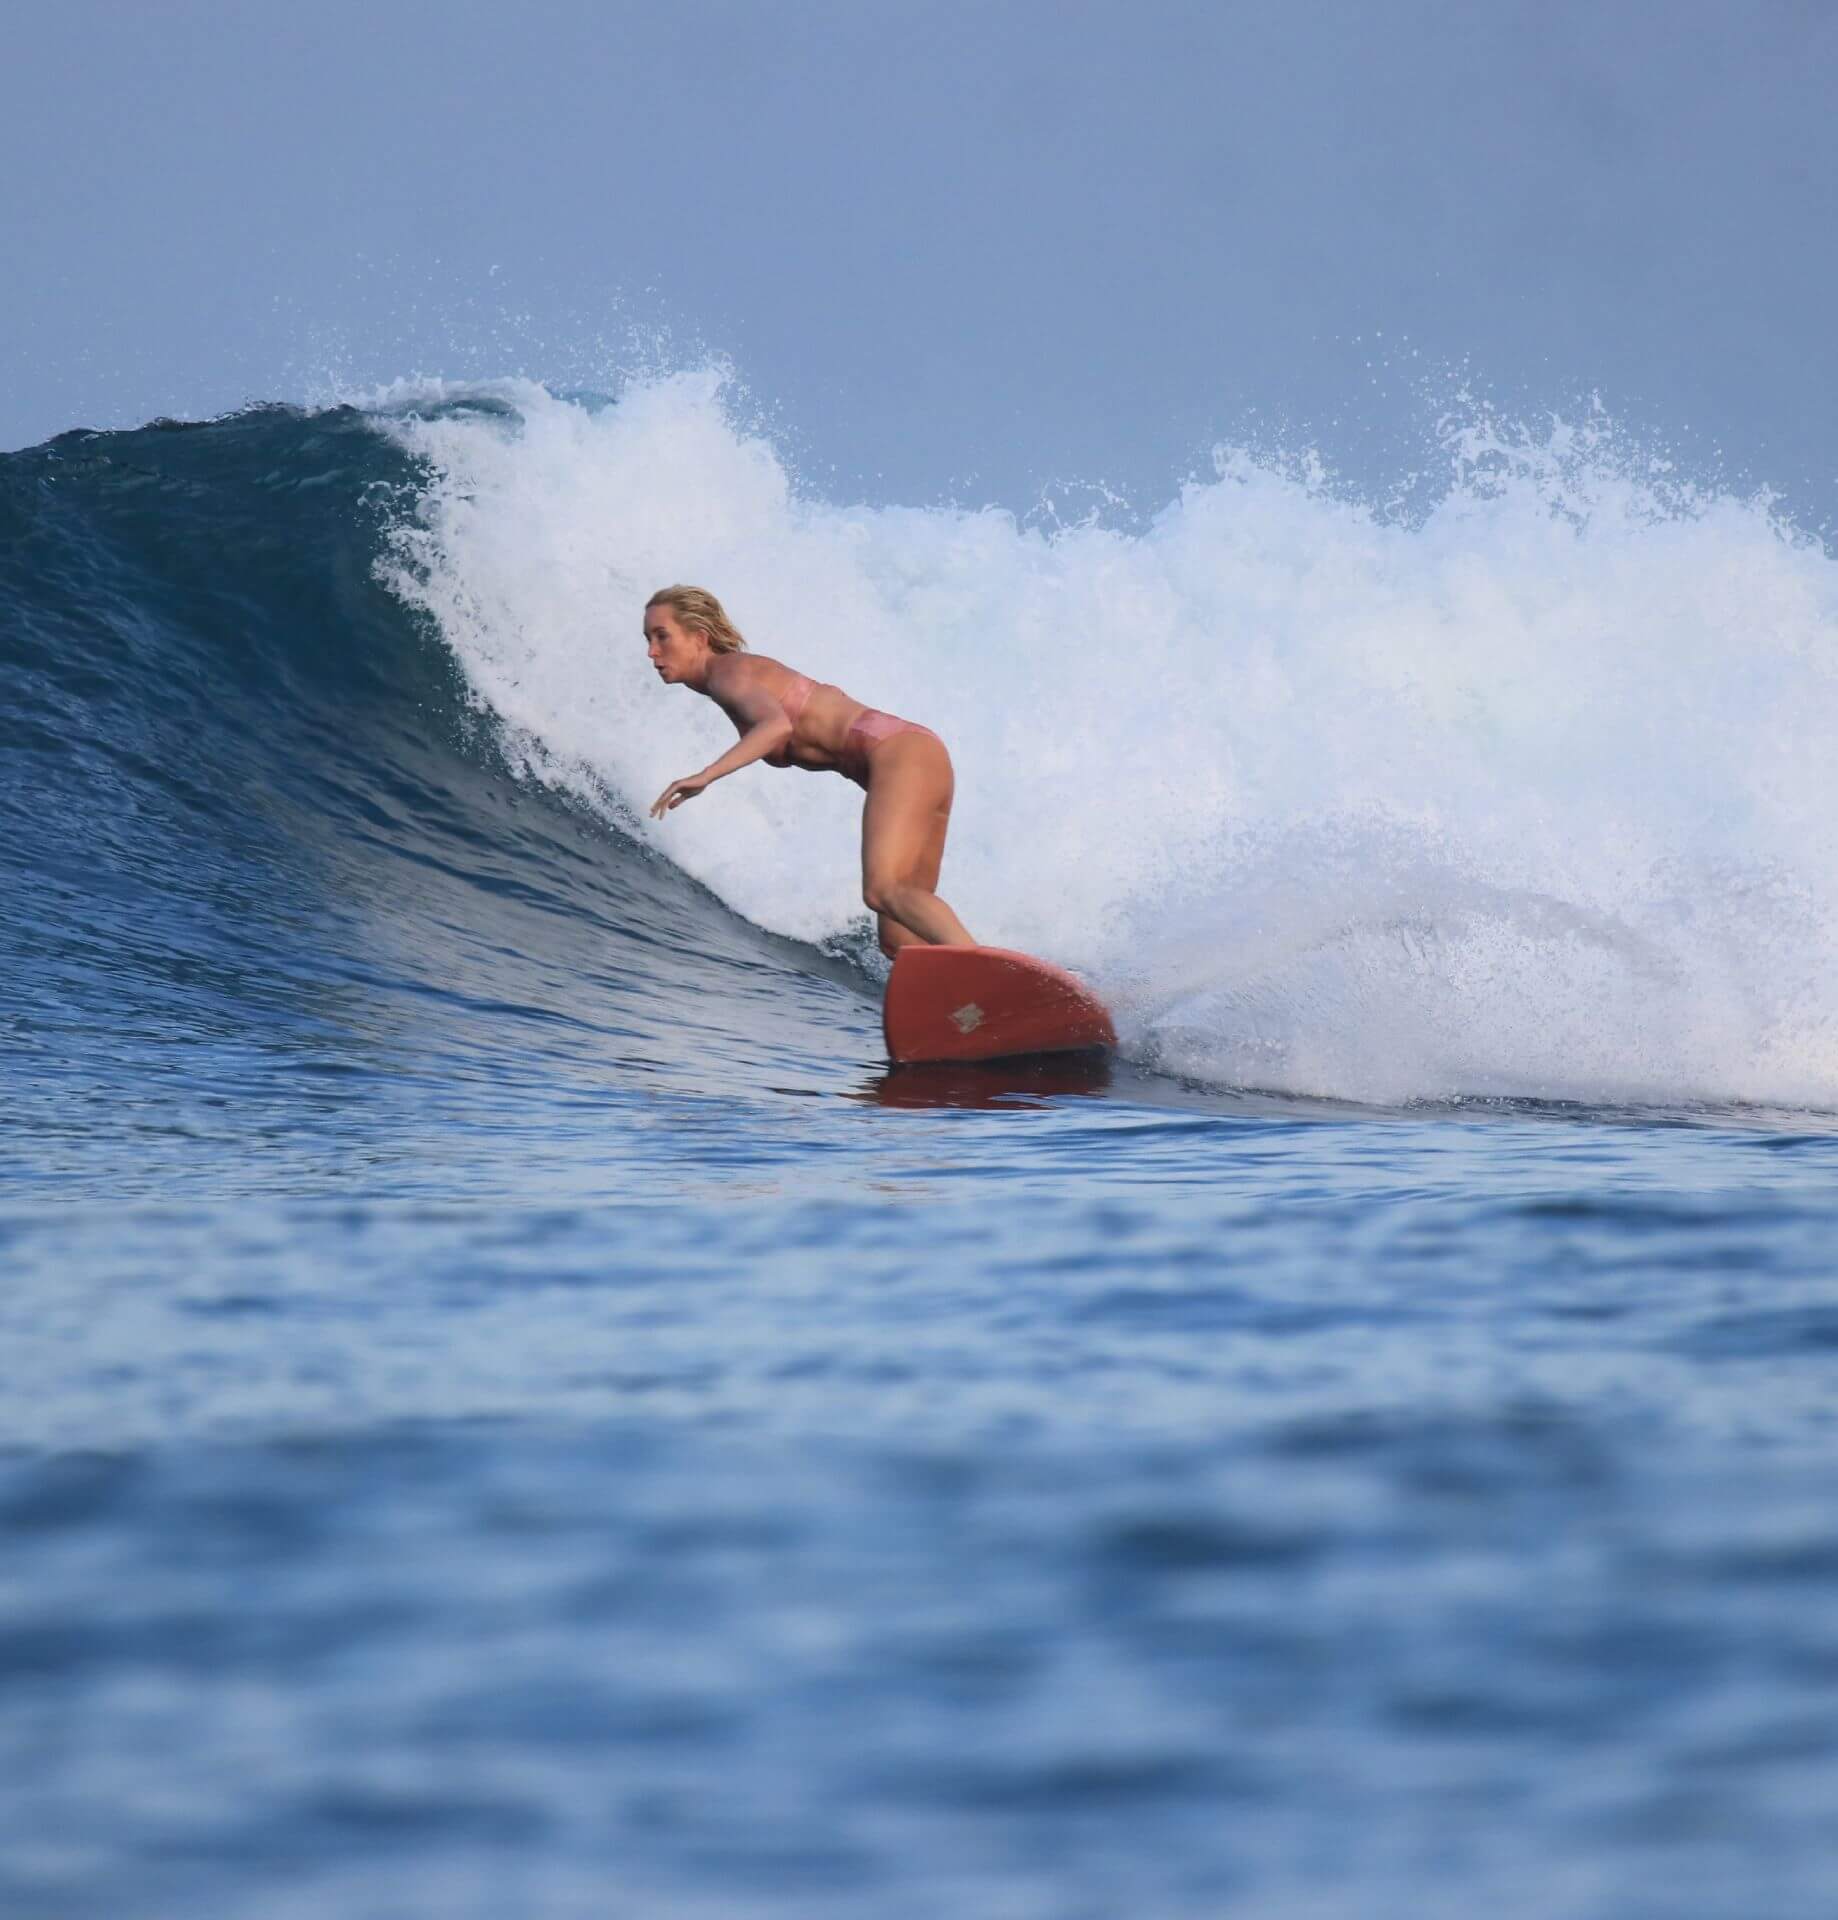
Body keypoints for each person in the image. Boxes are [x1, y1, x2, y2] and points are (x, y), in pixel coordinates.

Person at [644, 585, 975, 956]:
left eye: (662, 636)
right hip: (920, 755)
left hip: (901, 755)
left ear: (699, 638)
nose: (652, 651)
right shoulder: (735, 676)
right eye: (648, 639)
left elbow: (776, 726)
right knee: (901, 941)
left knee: (882, 889)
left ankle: (987, 974)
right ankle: (964, 1007)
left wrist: (706, 775)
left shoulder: (727, 672)